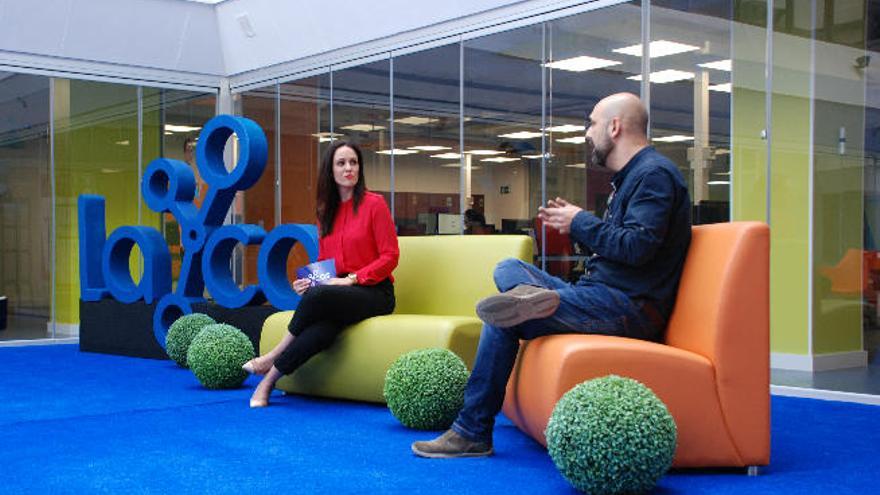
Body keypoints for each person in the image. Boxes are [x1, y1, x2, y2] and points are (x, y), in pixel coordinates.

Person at [411, 92, 692, 458]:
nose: (587, 133)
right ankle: (530, 300)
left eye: (591, 123)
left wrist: (580, 222)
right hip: (599, 293)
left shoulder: (653, 175)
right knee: (507, 268)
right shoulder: (632, 178)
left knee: (506, 313)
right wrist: (581, 226)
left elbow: (636, 248)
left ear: (615, 126)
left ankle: (471, 430)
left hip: (628, 307)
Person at [243, 140, 399, 408]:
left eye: (353, 163)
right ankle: (268, 381)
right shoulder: (326, 211)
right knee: (321, 332)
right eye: (341, 163)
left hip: (375, 292)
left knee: (320, 296)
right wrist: (309, 281)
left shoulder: (375, 204)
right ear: (331, 170)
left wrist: (352, 279)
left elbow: (390, 256)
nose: (349, 168)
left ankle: (272, 356)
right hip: (339, 293)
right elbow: (327, 264)